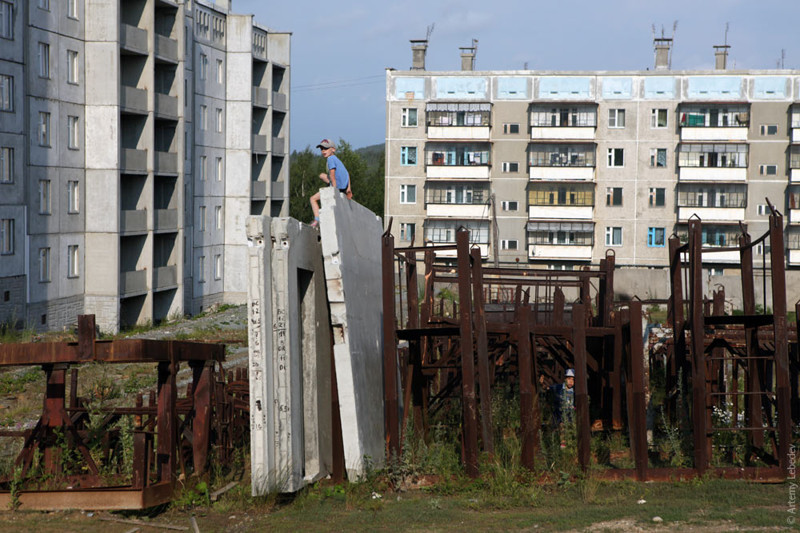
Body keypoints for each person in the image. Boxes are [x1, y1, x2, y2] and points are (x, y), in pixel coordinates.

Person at [310, 139, 352, 228]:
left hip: (337, 187)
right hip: (344, 186)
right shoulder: (337, 159)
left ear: (333, 149)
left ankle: (317, 220)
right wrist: (349, 188)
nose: (323, 151)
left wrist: (334, 188)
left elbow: (332, 173)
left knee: (313, 199)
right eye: (321, 149)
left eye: (326, 148)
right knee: (322, 175)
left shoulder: (330, 159)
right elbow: (347, 173)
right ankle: (332, 183)